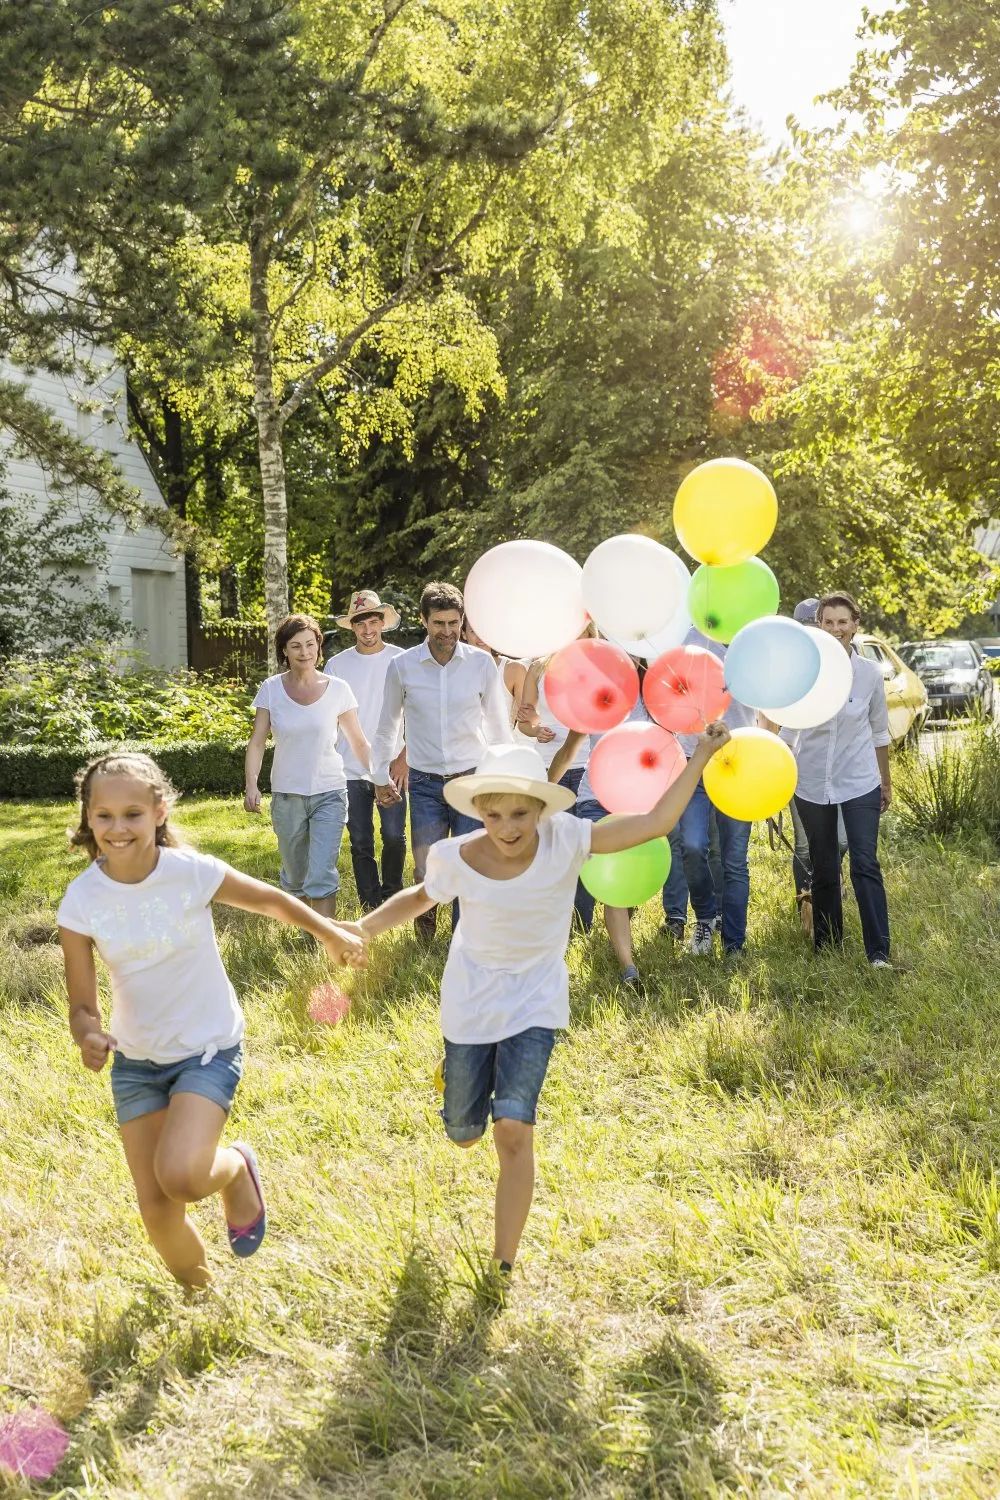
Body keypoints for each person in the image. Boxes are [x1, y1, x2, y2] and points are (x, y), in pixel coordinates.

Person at [358, 729, 729, 1284]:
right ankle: (456, 1075)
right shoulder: (455, 855)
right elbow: (418, 898)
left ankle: (502, 1264)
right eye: (496, 815)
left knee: (513, 1129)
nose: (508, 828)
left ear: (540, 809)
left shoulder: (568, 838)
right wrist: (361, 930)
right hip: (471, 1002)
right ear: (479, 810)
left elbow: (655, 824)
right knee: (464, 1132)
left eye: (520, 815)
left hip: (536, 1001)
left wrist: (701, 755)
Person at [58, 752, 366, 1288]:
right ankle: (200, 1296)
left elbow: (272, 901)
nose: (117, 828)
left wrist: (330, 933)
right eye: (103, 815)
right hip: (136, 1061)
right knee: (156, 1209)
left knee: (180, 1176)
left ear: (159, 811)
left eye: (132, 813)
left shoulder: (189, 873)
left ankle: (235, 1168)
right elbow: (82, 1004)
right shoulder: (82, 899)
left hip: (207, 1048)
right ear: (88, 819)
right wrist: (88, 1033)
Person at [370, 581, 513, 941]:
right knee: (427, 867)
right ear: (424, 621)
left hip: (471, 779)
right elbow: (388, 726)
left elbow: (498, 728)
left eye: (453, 623)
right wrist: (378, 774)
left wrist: (508, 777)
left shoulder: (481, 664)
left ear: (462, 621)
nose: (447, 632)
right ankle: (425, 937)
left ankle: (464, 938)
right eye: (439, 624)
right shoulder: (402, 667)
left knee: (470, 863)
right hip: (424, 783)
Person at [784, 591, 893, 967]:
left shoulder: (869, 675)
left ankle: (878, 951)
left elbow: (880, 732)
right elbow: (788, 731)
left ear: (855, 625)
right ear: (819, 625)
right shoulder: (804, 674)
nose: (836, 629)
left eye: (843, 622)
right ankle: (827, 946)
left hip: (860, 780)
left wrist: (886, 781)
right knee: (824, 865)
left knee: (865, 862)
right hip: (811, 783)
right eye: (828, 622)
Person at [245, 613, 370, 920]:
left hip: (329, 791)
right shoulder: (271, 689)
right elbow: (257, 741)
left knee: (322, 872)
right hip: (287, 795)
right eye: (296, 645)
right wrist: (252, 785)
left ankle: (323, 940)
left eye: (310, 644)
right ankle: (307, 932)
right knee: (296, 875)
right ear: (284, 651)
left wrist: (378, 778)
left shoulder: (339, 689)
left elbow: (358, 741)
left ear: (319, 646)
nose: (305, 652)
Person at [671, 628, 756, 958]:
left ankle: (734, 942)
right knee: (692, 846)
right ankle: (705, 917)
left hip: (739, 765)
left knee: (734, 861)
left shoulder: (753, 640)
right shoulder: (689, 637)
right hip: (695, 761)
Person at [325, 589, 408, 912]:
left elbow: (416, 712)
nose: (368, 630)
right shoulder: (337, 665)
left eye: (374, 622)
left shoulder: (401, 660)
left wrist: (405, 759)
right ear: (353, 627)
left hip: (392, 766)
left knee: (393, 837)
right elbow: (328, 716)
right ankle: (370, 903)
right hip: (350, 766)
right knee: (360, 841)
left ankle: (393, 896)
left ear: (383, 623)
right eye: (361, 624)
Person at [514, 626, 596, 796]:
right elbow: (524, 723)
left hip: (587, 765)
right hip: (547, 763)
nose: (573, 636)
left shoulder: (598, 667)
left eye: (579, 630)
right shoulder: (538, 668)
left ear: (589, 632)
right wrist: (537, 730)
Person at [463, 620, 527, 727]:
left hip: (502, 742)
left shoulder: (514, 669)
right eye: (474, 631)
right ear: (464, 634)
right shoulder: (454, 669)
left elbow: (527, 720)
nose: (480, 637)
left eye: (485, 631)